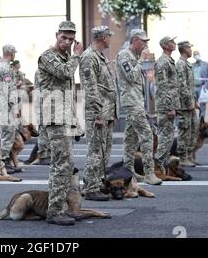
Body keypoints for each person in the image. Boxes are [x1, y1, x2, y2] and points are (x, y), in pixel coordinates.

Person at [37, 20, 84, 226]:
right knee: (61, 165)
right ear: (56, 35)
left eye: (71, 39)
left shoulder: (65, 58)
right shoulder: (48, 56)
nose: (66, 42)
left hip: (64, 118)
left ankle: (61, 206)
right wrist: (76, 55)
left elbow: (69, 93)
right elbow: (65, 73)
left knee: (66, 164)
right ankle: (55, 210)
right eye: (63, 37)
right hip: (54, 118)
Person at [116, 29, 162, 186]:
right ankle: (149, 173)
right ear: (134, 41)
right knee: (147, 134)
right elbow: (132, 76)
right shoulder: (124, 55)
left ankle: (129, 170)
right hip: (131, 102)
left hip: (137, 101)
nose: (145, 44)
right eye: (143, 41)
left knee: (131, 137)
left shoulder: (134, 56)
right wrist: (142, 60)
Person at [80, 26, 118, 201]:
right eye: (109, 36)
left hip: (107, 111)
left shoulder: (100, 56)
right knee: (95, 151)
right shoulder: (89, 57)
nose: (110, 38)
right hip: (99, 113)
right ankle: (90, 187)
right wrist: (97, 114)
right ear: (103, 37)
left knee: (104, 151)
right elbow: (91, 88)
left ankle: (98, 182)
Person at [155, 36, 180, 173]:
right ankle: (157, 164)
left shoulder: (169, 61)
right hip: (166, 107)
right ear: (165, 45)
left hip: (169, 105)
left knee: (168, 138)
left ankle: (162, 164)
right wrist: (170, 107)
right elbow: (163, 86)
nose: (174, 43)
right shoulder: (162, 62)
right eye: (171, 42)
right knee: (166, 138)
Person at [0, 44, 19, 173]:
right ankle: (3, 160)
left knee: (8, 133)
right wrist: (14, 107)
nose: (15, 55)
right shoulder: (5, 68)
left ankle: (5, 160)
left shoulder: (2, 66)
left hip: (3, 103)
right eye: (14, 52)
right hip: (6, 105)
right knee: (8, 133)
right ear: (10, 53)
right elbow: (7, 89)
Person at [176, 41, 198, 167]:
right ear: (184, 49)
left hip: (190, 104)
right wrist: (189, 102)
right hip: (184, 105)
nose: (191, 50)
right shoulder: (180, 64)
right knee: (184, 131)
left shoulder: (187, 64)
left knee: (193, 129)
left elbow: (190, 86)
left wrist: (195, 101)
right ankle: (182, 157)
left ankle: (189, 154)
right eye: (190, 47)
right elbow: (182, 85)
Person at [192, 50, 208, 118]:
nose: (196, 56)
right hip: (193, 87)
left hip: (202, 87)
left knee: (202, 106)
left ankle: (201, 121)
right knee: (192, 105)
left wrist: (206, 85)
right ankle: (194, 121)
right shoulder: (192, 65)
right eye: (194, 54)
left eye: (197, 54)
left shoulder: (206, 65)